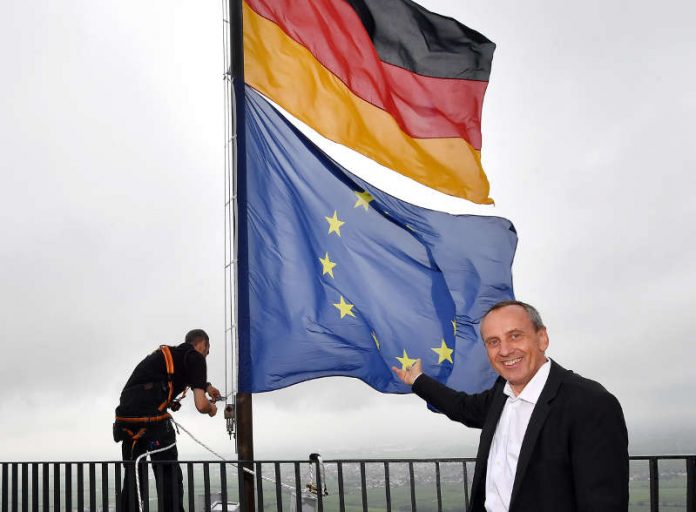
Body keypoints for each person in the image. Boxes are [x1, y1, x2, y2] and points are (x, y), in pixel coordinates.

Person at [393, 301, 629, 512]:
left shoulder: (591, 403)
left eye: (515, 336)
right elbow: (462, 407)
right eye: (493, 342)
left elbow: (603, 504)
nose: (505, 351)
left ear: (542, 338)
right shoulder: (501, 392)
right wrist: (417, 380)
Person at [113, 329, 221, 512]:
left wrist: (208, 386)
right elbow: (201, 405)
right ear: (202, 344)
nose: (206, 355)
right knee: (169, 478)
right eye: (207, 351)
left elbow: (184, 377)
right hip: (153, 423)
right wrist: (212, 409)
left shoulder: (170, 356)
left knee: (133, 479)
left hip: (127, 421)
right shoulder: (196, 357)